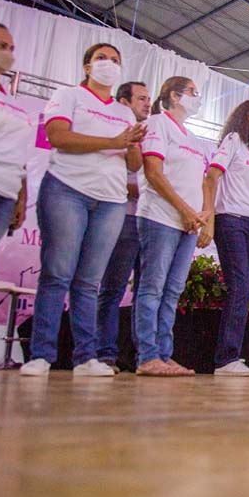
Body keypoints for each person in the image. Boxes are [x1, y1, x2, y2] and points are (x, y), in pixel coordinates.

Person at [21, 43, 145, 377]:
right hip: (67, 189)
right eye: (102, 59)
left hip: (111, 200)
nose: (110, 64)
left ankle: (86, 357)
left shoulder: (124, 113)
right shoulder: (69, 95)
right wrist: (113, 142)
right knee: (57, 273)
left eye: (116, 60)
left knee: (89, 281)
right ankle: (41, 355)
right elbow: (58, 136)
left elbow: (134, 161)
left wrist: (132, 142)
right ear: (87, 66)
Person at [133, 77, 209, 376]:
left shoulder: (193, 139)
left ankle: (164, 354)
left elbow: (202, 182)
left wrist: (202, 215)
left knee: (173, 290)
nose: (197, 97)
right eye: (192, 92)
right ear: (175, 96)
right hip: (160, 217)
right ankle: (147, 355)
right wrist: (185, 209)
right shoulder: (157, 124)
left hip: (188, 225)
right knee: (152, 287)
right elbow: (153, 172)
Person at [201, 99, 249, 376]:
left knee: (244, 289)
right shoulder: (233, 140)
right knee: (240, 286)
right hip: (230, 219)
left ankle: (232, 355)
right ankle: (226, 358)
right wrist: (209, 218)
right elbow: (211, 177)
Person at [94, 81, 150, 371]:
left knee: (147, 292)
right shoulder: (112, 128)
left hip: (152, 220)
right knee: (112, 288)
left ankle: (145, 356)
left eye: (149, 98)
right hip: (123, 216)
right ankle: (104, 353)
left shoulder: (153, 132)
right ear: (124, 102)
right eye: (141, 98)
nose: (147, 103)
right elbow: (123, 175)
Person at [0, 22, 29, 261]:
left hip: (6, 193)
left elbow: (19, 154)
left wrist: (21, 197)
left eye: (11, 48)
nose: (8, 53)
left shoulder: (12, 100)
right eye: (1, 46)